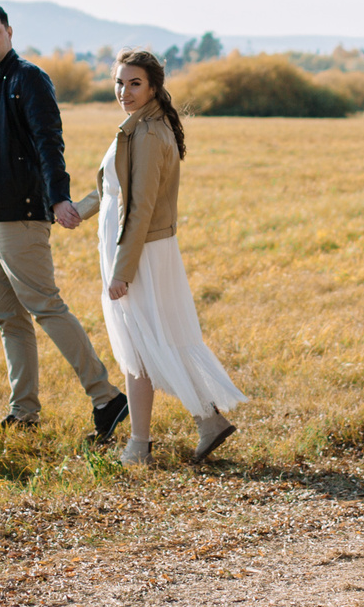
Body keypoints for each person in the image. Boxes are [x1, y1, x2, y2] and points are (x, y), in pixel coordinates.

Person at [0, 2, 129, 444]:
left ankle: (107, 398)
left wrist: (59, 196)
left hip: (20, 217)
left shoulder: (27, 79)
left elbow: (49, 141)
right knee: (8, 318)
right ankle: (23, 411)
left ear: (8, 31)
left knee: (45, 306)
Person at [71, 49, 246, 464]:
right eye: (119, 82)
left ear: (153, 87)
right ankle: (200, 424)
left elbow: (140, 207)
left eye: (134, 83)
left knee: (141, 342)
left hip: (140, 252)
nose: (124, 91)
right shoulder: (141, 127)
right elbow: (116, 191)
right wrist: (78, 209)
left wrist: (122, 271)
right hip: (135, 247)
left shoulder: (148, 134)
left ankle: (141, 444)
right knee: (149, 340)